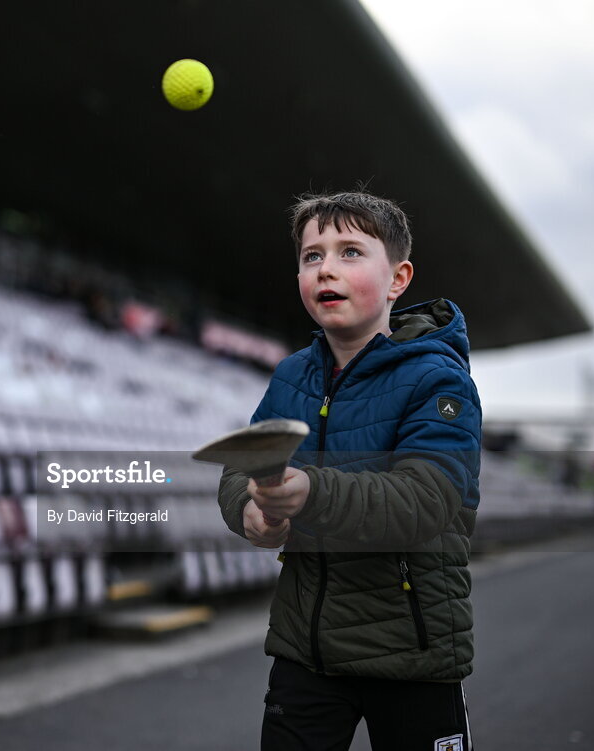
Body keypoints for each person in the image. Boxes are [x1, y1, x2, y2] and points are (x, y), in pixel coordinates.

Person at [218, 191, 481, 751]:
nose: (326, 268)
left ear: (398, 278)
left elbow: (426, 502)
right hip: (304, 651)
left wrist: (308, 492)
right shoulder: (291, 376)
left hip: (413, 653)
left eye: (350, 252)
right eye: (312, 256)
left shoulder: (440, 380)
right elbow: (240, 469)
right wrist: (252, 513)